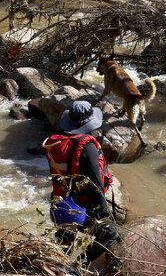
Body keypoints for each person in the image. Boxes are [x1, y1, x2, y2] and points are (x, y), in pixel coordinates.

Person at [42, 100, 120, 262]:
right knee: (111, 234)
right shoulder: (86, 146)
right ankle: (80, 263)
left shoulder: (55, 142)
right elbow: (96, 183)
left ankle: (60, 262)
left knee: (66, 242)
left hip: (60, 203)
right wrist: (104, 212)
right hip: (82, 205)